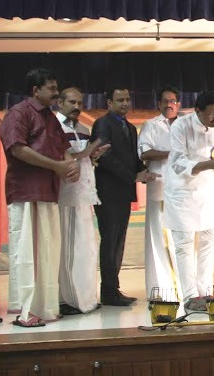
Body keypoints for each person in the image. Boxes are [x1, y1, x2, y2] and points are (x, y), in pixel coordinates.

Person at [0, 68, 79, 327]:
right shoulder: (18, 113)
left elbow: (64, 148)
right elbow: (18, 149)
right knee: (26, 253)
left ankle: (45, 307)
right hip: (26, 192)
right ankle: (25, 312)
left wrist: (71, 166)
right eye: (52, 88)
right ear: (35, 90)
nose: (56, 93)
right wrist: (57, 166)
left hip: (48, 192)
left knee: (47, 252)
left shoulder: (50, 117)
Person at [164, 92, 214, 310]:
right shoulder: (181, 126)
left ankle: (205, 292)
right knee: (184, 244)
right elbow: (178, 162)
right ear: (197, 110)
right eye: (212, 113)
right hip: (182, 192)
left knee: (210, 239)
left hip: (207, 192)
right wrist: (210, 165)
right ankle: (190, 296)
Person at [92, 87, 157, 306]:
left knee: (118, 242)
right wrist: (133, 176)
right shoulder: (102, 124)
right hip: (108, 192)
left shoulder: (129, 128)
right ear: (109, 103)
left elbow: (133, 159)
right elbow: (105, 157)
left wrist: (144, 171)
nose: (125, 104)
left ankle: (113, 289)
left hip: (123, 192)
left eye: (128, 99)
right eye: (120, 100)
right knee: (110, 241)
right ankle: (108, 291)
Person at [56, 87, 108, 315]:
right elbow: (67, 158)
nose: (77, 107)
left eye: (80, 103)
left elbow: (84, 159)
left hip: (85, 194)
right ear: (60, 103)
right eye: (72, 102)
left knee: (86, 247)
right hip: (66, 195)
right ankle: (67, 300)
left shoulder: (83, 129)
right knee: (69, 249)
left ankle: (86, 298)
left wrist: (93, 154)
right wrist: (89, 151)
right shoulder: (54, 127)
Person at [137, 86, 182, 299]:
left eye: (173, 101)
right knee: (160, 240)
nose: (169, 104)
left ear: (178, 104)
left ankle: (185, 288)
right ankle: (163, 289)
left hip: (183, 192)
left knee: (182, 240)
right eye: (165, 101)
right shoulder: (151, 125)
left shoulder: (185, 125)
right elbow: (144, 152)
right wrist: (172, 153)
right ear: (159, 104)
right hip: (161, 188)